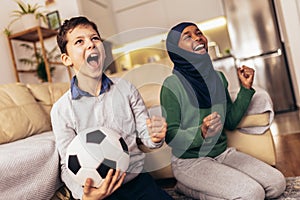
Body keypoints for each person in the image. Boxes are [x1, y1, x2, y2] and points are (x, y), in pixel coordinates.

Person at [160, 22, 286, 200]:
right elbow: (171, 136)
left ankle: (205, 187)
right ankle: (187, 187)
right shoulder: (171, 86)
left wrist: (245, 89)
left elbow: (231, 122)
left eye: (198, 33)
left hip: (222, 153)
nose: (197, 38)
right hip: (190, 162)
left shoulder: (217, 78)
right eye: (188, 37)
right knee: (252, 194)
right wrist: (201, 133)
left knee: (276, 183)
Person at [51, 16, 173, 200]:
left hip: (136, 181)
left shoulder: (127, 89)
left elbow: (146, 137)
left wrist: (155, 137)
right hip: (100, 193)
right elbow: (66, 166)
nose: (91, 45)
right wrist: (85, 197)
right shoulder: (61, 110)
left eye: (95, 38)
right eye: (79, 41)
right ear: (66, 59)